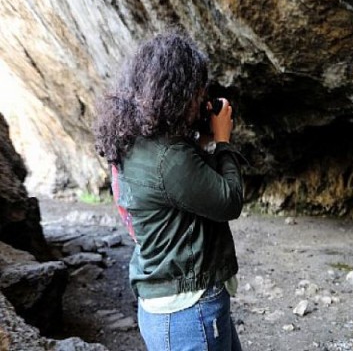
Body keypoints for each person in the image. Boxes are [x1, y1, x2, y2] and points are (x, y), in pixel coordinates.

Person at [93, 31, 244, 350]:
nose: (202, 100)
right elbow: (229, 200)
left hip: (164, 302)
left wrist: (201, 140)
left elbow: (183, 193)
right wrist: (223, 141)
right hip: (191, 311)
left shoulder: (131, 141)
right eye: (196, 92)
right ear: (177, 93)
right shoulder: (170, 158)